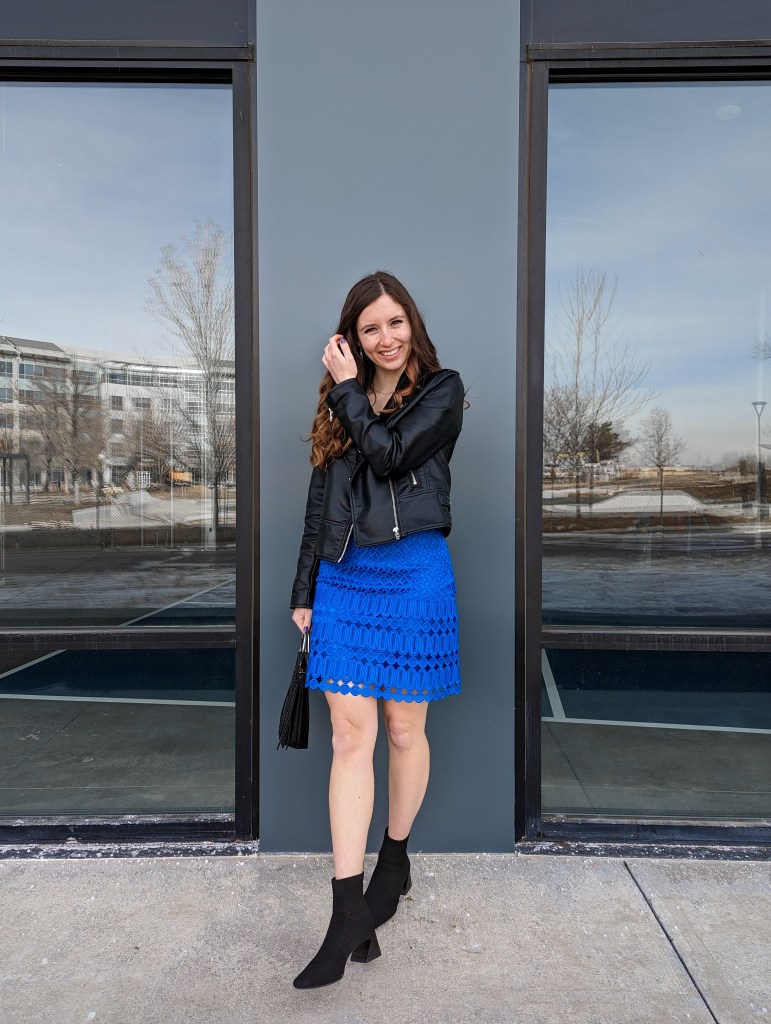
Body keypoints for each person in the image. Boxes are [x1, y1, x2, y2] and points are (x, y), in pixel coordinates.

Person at [290, 270, 465, 989]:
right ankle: (344, 911)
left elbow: (392, 455)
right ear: (352, 337)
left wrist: (343, 391)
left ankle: (393, 861)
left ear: (411, 324)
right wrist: (304, 589)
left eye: (394, 323)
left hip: (415, 574)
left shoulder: (443, 391)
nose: (385, 338)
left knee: (401, 731)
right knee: (348, 737)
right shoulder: (341, 406)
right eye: (370, 329)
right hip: (345, 580)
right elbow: (320, 503)